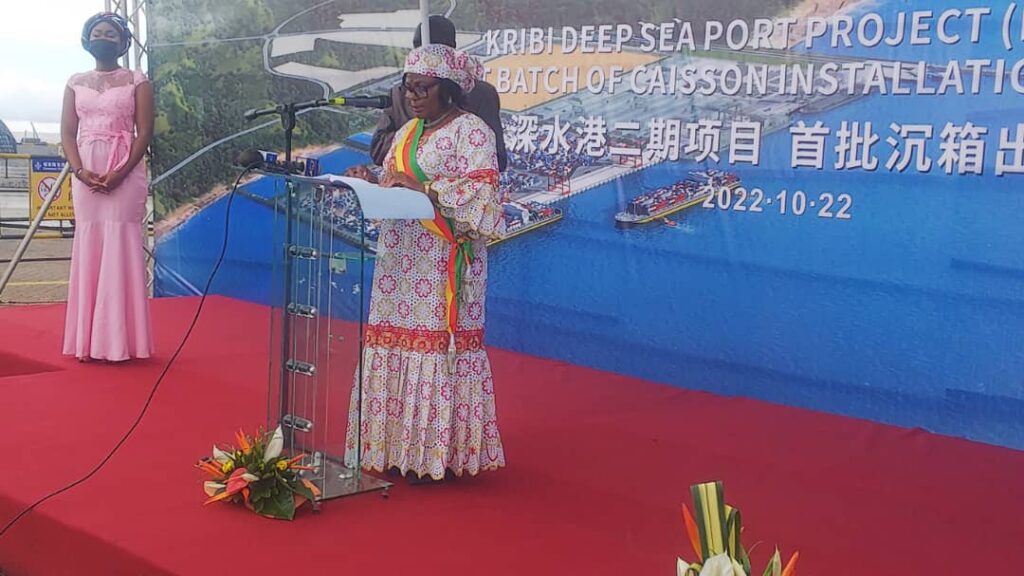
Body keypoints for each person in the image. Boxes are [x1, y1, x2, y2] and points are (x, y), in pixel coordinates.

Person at [344, 44, 506, 482]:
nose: (413, 97)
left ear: (447, 89)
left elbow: (484, 198)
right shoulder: (407, 132)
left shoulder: (473, 132)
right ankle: (396, 448)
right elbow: (395, 182)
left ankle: (436, 455)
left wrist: (426, 189)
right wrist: (371, 180)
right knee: (396, 345)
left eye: (422, 88)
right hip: (400, 260)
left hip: (442, 261)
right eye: (407, 88)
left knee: (435, 350)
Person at [61, 13, 154, 362]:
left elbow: (144, 132)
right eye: (97, 33)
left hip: (124, 169)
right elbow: (67, 132)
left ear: (123, 42)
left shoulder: (137, 80)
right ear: (87, 40)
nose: (103, 38)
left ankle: (120, 343)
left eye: (111, 34)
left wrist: (121, 172)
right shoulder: (75, 82)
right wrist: (79, 171)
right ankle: (87, 342)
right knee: (90, 242)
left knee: (120, 243)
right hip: (85, 170)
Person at [368, 15, 507, 172]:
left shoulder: (477, 108)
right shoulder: (400, 101)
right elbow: (379, 151)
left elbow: (496, 161)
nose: (411, 96)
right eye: (419, 47)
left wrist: (441, 152)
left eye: (422, 88)